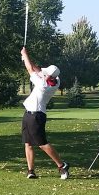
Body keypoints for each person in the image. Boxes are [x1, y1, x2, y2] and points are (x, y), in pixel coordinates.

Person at [20, 47, 69, 179]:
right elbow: (37, 69)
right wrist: (26, 58)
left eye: (46, 73)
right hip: (29, 114)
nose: (44, 72)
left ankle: (61, 165)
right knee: (28, 143)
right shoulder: (55, 81)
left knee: (42, 144)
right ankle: (31, 171)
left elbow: (30, 69)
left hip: (36, 115)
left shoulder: (43, 84)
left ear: (48, 76)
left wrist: (24, 55)